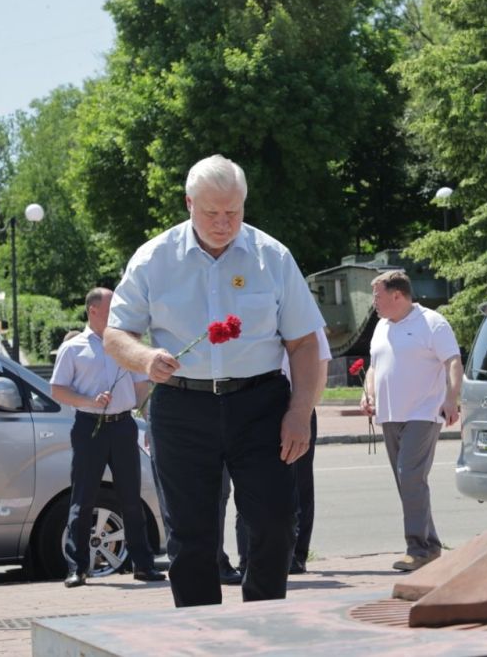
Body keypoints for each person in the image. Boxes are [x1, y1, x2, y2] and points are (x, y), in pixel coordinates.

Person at [104, 154, 325, 607]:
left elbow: (304, 343)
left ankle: (265, 626)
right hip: (183, 408)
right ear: (189, 203)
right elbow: (115, 333)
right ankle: (202, 635)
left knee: (274, 523)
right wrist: (145, 358)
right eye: (211, 213)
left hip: (261, 404)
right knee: (190, 534)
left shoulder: (273, 257)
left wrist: (300, 411)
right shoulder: (153, 258)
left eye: (233, 212)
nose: (224, 223)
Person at [50, 287, 165, 588]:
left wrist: (146, 418)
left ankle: (143, 565)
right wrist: (89, 400)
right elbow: (58, 390)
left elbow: (142, 385)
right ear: (93, 311)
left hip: (123, 425)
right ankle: (78, 567)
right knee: (83, 497)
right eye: (111, 307)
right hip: (90, 427)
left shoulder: (125, 345)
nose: (116, 313)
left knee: (131, 496)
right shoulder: (73, 348)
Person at [359, 270, 462, 572]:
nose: (374, 302)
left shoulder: (431, 322)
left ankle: (418, 548)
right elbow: (373, 368)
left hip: (424, 412)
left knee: (410, 476)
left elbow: (453, 361)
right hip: (390, 414)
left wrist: (451, 398)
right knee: (407, 481)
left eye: (377, 296)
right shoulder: (381, 327)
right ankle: (430, 545)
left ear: (397, 295)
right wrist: (368, 395)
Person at [235, 327, 330, 576]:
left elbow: (320, 371)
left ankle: (297, 555)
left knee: (299, 486)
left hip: (297, 411)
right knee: (250, 484)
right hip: (258, 411)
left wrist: (304, 412)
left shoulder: (307, 323)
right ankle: (247, 556)